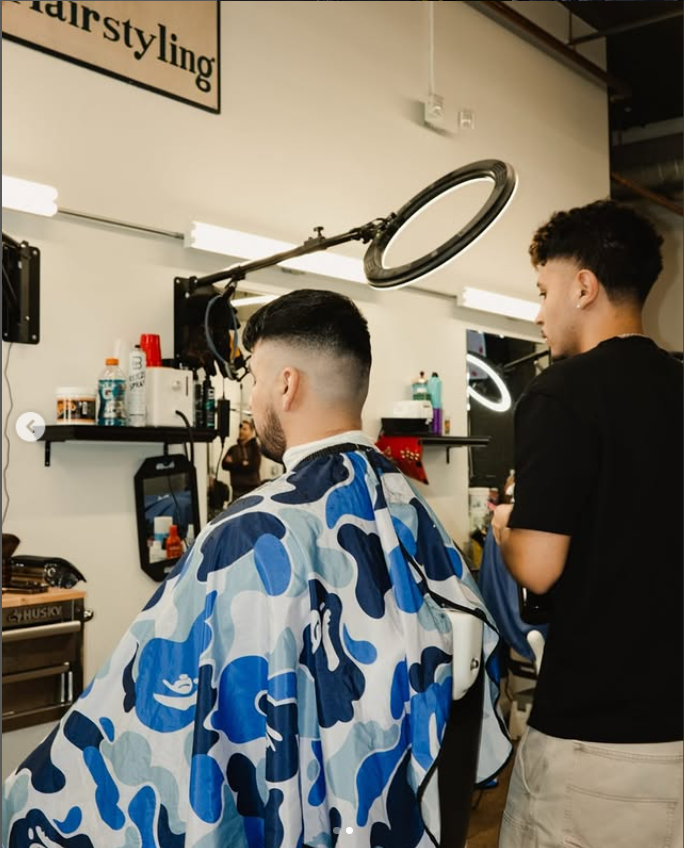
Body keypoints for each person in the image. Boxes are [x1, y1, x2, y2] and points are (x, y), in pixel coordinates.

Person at [3, 289, 511, 848]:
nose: (250, 400)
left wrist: (20, 800)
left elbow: (142, 725)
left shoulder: (247, 533)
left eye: (253, 379)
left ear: (287, 384)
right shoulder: (411, 506)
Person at [491, 200, 683, 848]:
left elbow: (540, 565)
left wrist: (505, 528)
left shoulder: (560, 395)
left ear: (583, 285)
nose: (539, 312)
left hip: (598, 743)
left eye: (544, 292)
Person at [221, 418, 262, 501]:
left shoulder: (255, 449)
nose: (241, 431)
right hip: (236, 491)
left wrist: (234, 463)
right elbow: (224, 465)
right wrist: (242, 464)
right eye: (240, 428)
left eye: (244, 429)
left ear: (251, 431)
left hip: (252, 490)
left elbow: (253, 467)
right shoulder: (233, 449)